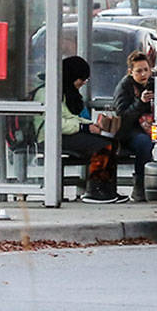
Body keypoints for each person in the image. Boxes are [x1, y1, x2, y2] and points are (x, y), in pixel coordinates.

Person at [60, 55, 126, 204]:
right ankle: (95, 189)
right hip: (54, 136)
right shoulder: (50, 93)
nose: (83, 83)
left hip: (67, 133)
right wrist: (84, 127)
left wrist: (89, 125)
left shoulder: (65, 91)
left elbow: (68, 117)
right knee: (102, 146)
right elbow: (56, 122)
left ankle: (107, 189)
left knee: (111, 142)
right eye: (81, 79)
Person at [112, 49, 157, 202]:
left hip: (151, 128)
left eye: (146, 70)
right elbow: (122, 115)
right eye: (139, 71)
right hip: (129, 132)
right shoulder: (125, 87)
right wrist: (140, 102)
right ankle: (140, 186)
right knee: (144, 144)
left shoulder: (154, 84)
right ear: (131, 72)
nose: (143, 74)